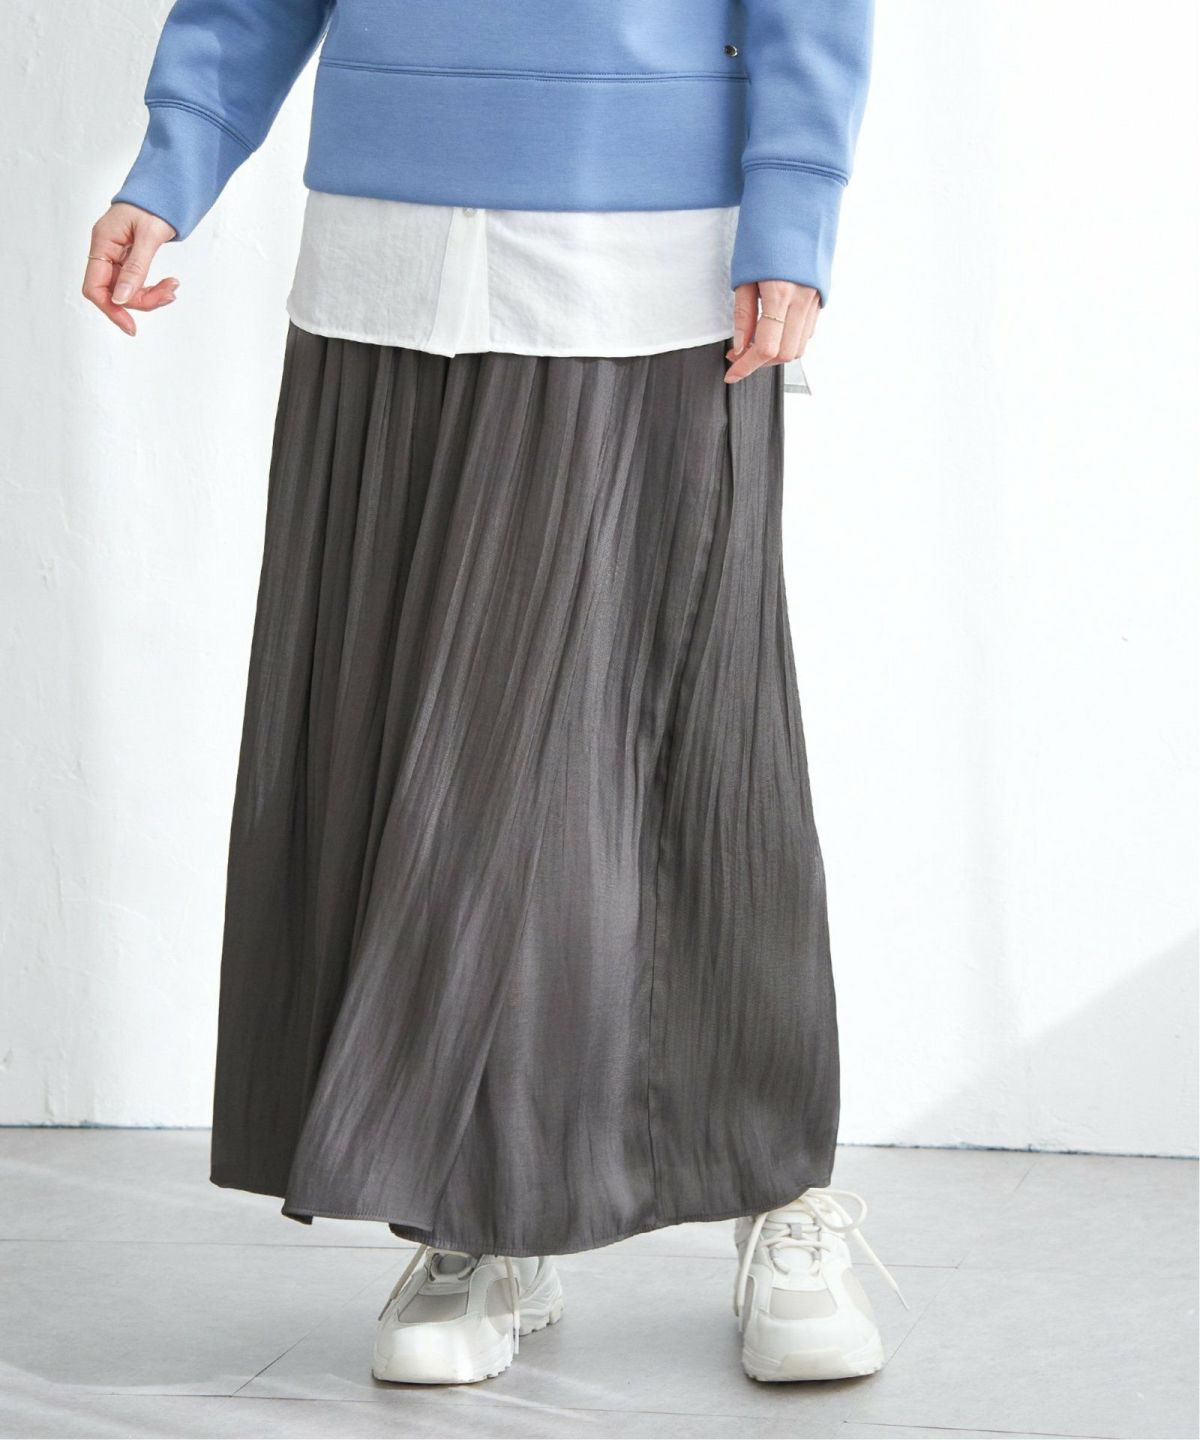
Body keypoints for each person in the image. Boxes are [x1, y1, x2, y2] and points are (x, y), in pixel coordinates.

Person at [84, 0, 901, 1388]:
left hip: (649, 252)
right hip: (387, 255)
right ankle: (477, 1205)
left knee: (696, 745)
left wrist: (796, 201)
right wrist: (176, 158)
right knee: (401, 746)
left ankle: (778, 1188)